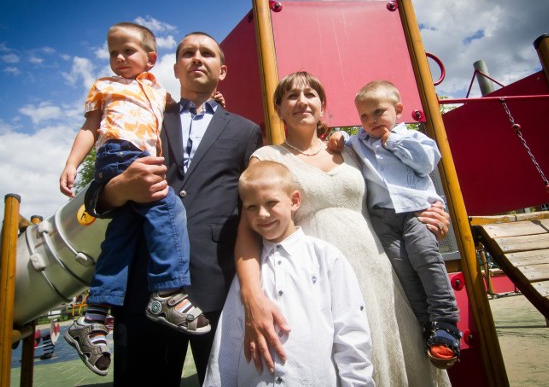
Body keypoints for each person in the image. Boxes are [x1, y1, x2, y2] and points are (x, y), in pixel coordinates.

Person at [234, 71, 452, 386]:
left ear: (323, 106)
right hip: (315, 280)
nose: (302, 102)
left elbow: (401, 187)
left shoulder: (353, 150)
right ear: (279, 109)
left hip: (379, 270)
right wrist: (251, 296)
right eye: (292, 96)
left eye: (310, 95)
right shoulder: (268, 158)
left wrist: (432, 215)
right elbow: (248, 229)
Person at [84, 31, 263, 385]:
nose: (197, 58)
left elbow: (252, 211)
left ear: (222, 71)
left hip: (218, 287)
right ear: (175, 68)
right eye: (188, 53)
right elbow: (95, 197)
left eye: (207, 53)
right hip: (141, 285)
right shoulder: (143, 117)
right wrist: (120, 188)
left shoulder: (247, 131)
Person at [60, 23, 212, 376]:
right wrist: (72, 163)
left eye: (127, 51)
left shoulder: (158, 91)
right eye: (113, 52)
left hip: (139, 154)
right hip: (119, 153)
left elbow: (183, 108)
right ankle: (167, 292)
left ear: (150, 58)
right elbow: (90, 127)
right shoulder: (106, 86)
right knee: (168, 205)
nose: (119, 58)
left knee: (121, 238)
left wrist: (214, 100)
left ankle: (93, 317)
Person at [328, 80, 461, 369]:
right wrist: (339, 134)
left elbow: (427, 163)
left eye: (378, 112)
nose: (371, 121)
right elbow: (345, 143)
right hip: (383, 218)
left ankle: (446, 321)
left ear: (398, 109)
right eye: (363, 117)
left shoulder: (413, 138)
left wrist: (393, 141)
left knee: (425, 256)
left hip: (417, 211)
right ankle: (428, 326)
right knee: (402, 269)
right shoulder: (360, 141)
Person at [204, 160, 374, 387]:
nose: (262, 214)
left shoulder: (326, 258)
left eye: (271, 203)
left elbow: (351, 332)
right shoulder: (249, 273)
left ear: (294, 201)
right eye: (251, 207)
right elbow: (228, 341)